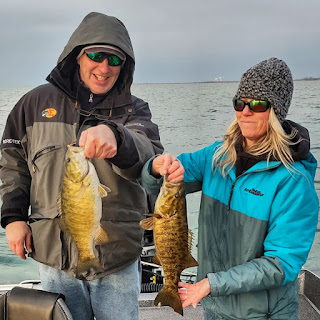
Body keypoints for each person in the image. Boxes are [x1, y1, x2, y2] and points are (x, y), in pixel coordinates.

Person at [0, 12, 163, 320]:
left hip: (116, 256)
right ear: (77, 56)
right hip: (53, 254)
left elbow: (150, 157)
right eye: (97, 56)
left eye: (114, 61)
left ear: (124, 66)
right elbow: (12, 162)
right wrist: (13, 218)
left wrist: (118, 137)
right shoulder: (32, 104)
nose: (104, 68)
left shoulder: (134, 110)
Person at [141, 57, 319, 319]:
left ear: (275, 111)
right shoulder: (216, 156)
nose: (245, 111)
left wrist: (211, 283)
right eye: (240, 102)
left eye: (257, 104)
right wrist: (157, 167)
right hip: (214, 306)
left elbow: (280, 265)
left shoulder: (293, 181)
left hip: (263, 313)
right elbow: (164, 179)